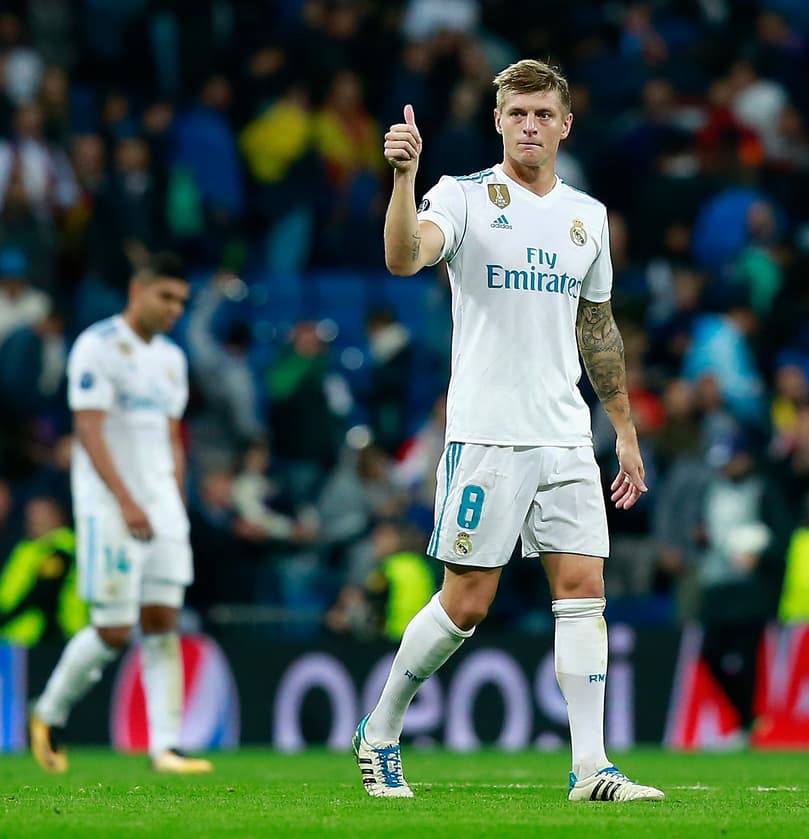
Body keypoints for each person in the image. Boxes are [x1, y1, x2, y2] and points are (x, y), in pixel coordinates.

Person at [357, 59, 663, 802]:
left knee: (583, 587)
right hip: (487, 433)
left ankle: (591, 766)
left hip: (564, 434)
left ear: (565, 123)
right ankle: (380, 730)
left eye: (543, 114)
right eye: (517, 113)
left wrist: (620, 426)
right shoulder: (460, 198)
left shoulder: (587, 217)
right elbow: (403, 258)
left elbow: (599, 328)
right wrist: (402, 178)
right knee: (466, 602)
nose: (530, 125)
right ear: (498, 120)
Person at [29, 252, 212, 775]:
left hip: (161, 506)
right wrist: (127, 500)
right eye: (166, 297)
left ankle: (166, 747)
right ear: (138, 290)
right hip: (110, 506)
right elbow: (88, 428)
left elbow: (172, 438)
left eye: (182, 300)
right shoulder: (97, 346)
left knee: (162, 620)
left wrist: (174, 500)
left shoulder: (173, 359)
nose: (175, 308)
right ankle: (48, 713)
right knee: (113, 629)